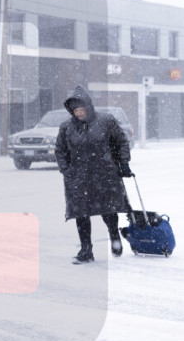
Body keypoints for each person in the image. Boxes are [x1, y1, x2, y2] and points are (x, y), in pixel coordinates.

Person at [55, 86, 133, 264]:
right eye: (75, 110)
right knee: (81, 214)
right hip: (78, 178)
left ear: (88, 107)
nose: (79, 113)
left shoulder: (106, 121)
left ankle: (114, 237)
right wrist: (67, 171)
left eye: (82, 109)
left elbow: (121, 142)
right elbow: (60, 150)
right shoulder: (67, 127)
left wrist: (124, 163)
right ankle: (86, 250)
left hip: (105, 174)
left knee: (109, 209)